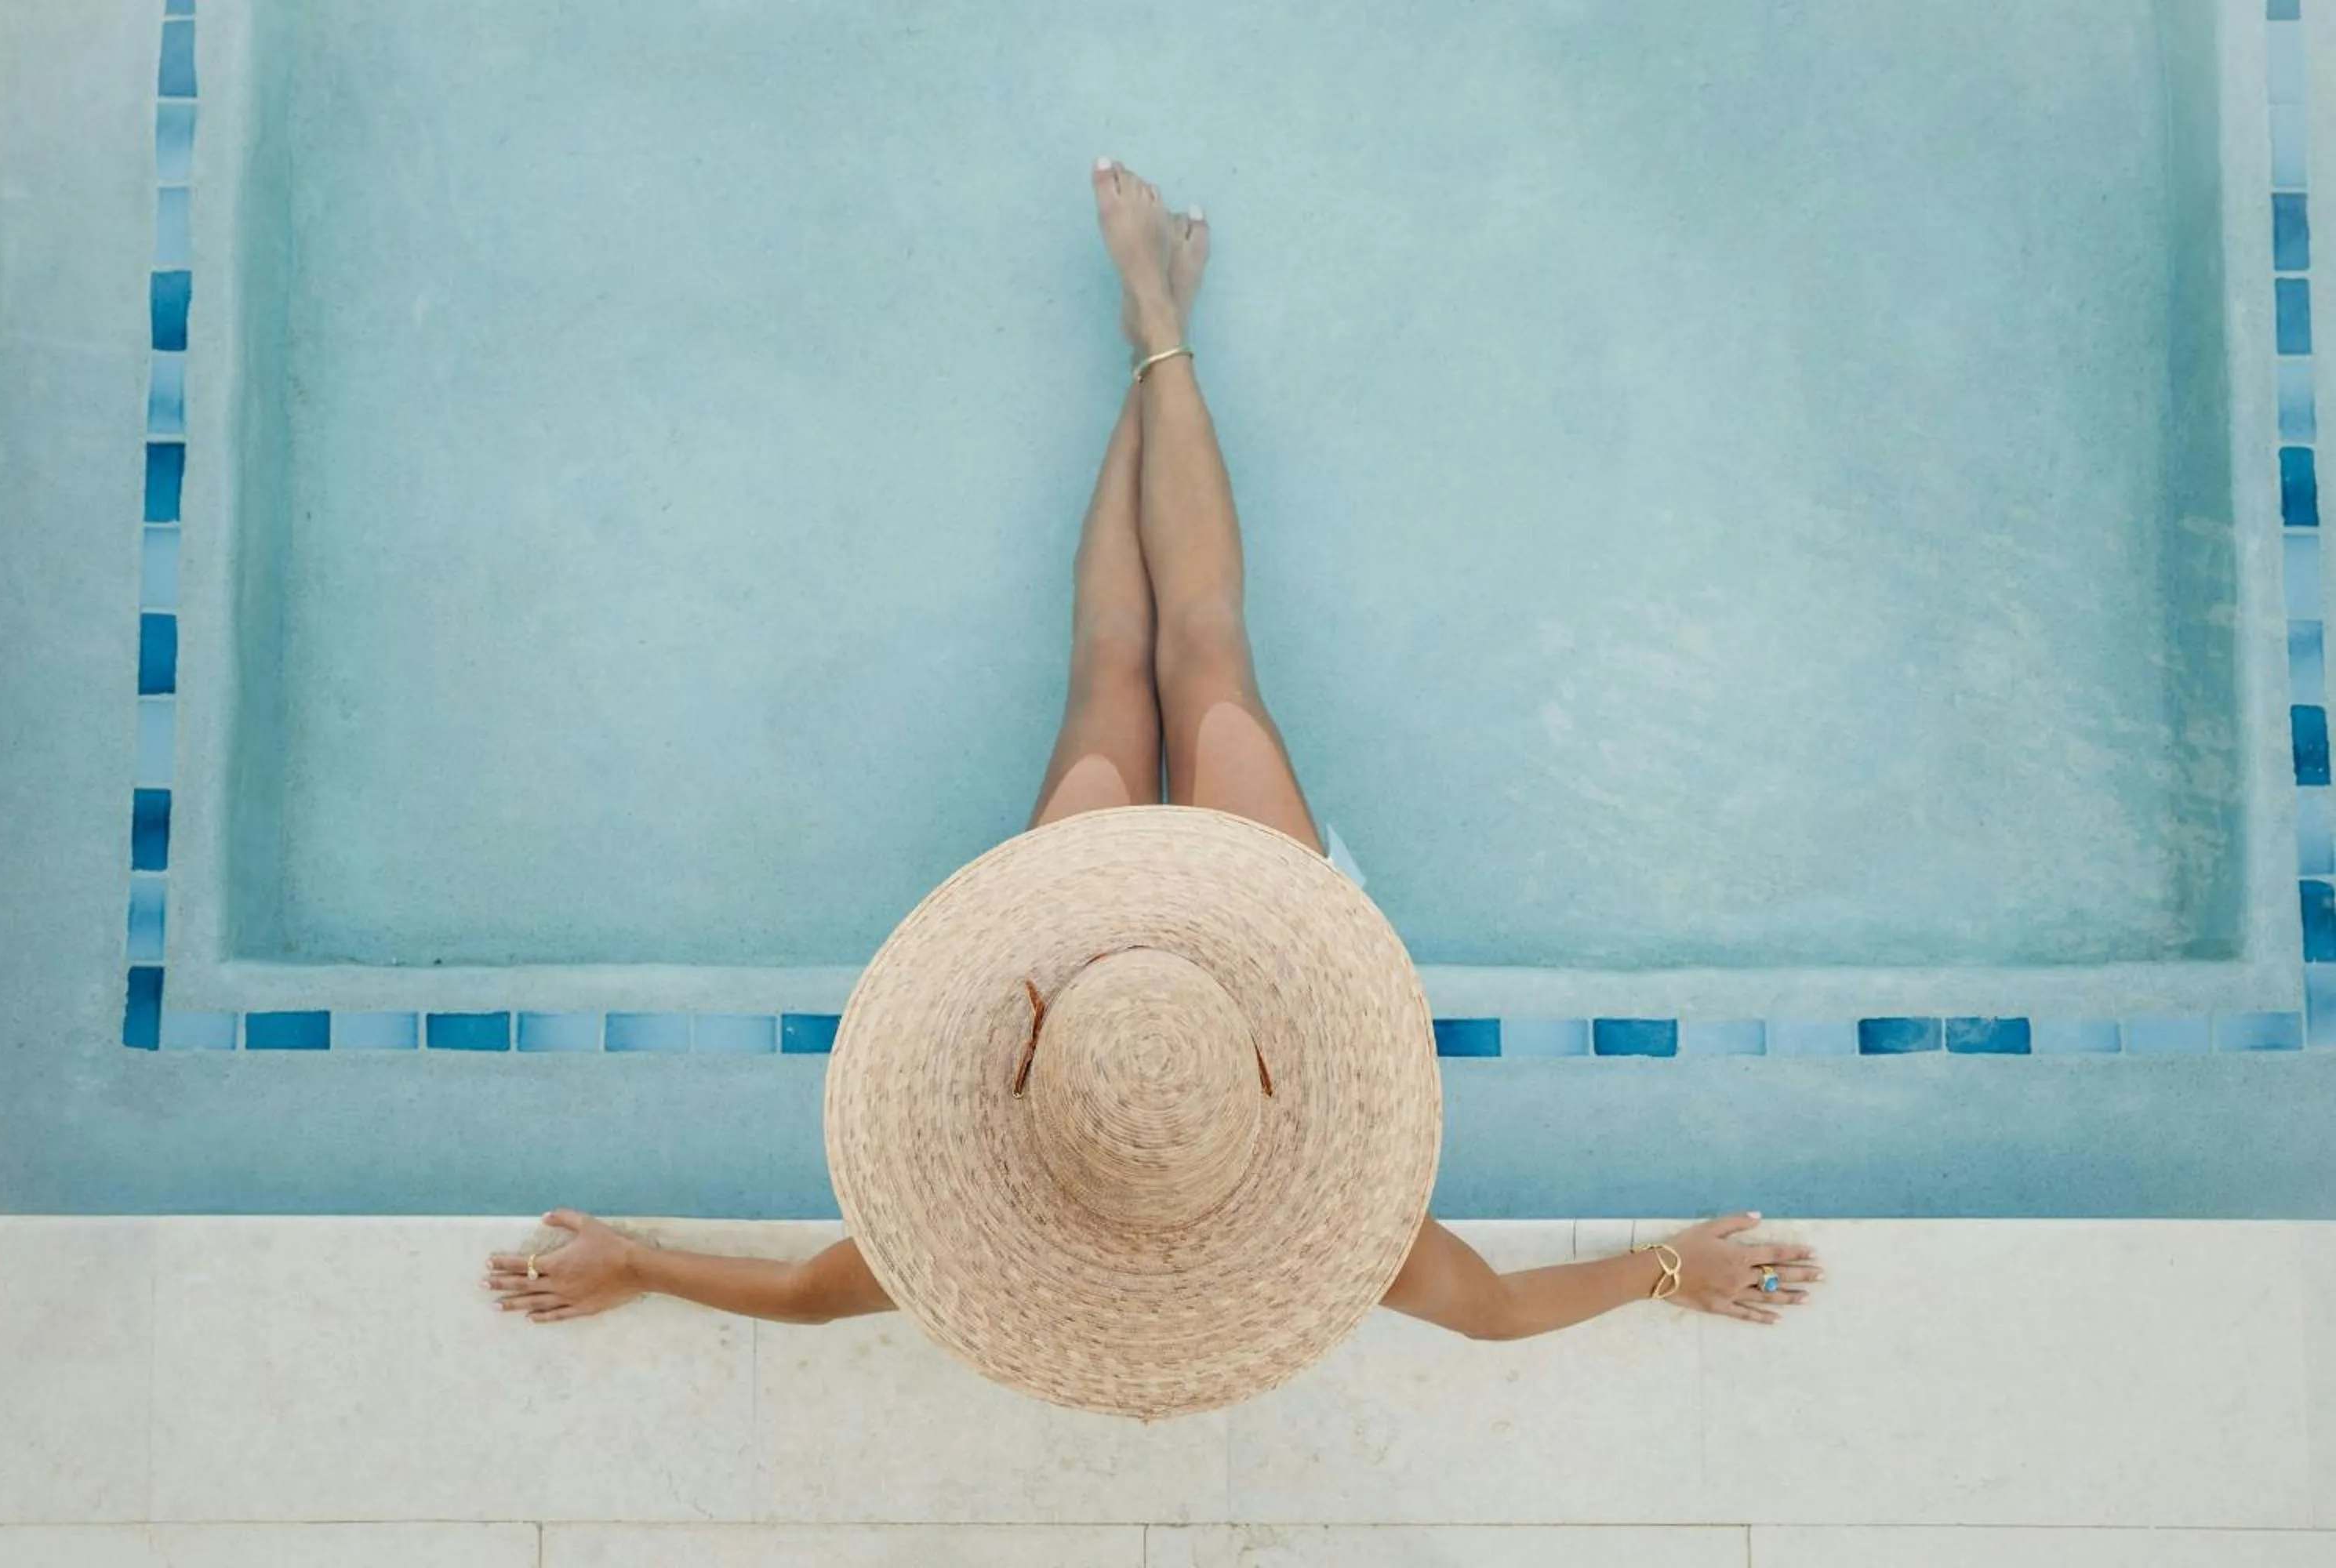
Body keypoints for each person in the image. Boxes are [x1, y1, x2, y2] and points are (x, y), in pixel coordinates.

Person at [484, 162, 1820, 1413]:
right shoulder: (1326, 1236)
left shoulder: (1187, 1227)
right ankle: (1154, 331)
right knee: (1171, 655)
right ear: (1262, 1075)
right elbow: (1490, 1312)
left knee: (1155, 654)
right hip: (1095, 981)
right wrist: (1669, 1269)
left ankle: (1156, 334)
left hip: (1100, 974)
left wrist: (639, 1263)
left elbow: (1491, 1310)